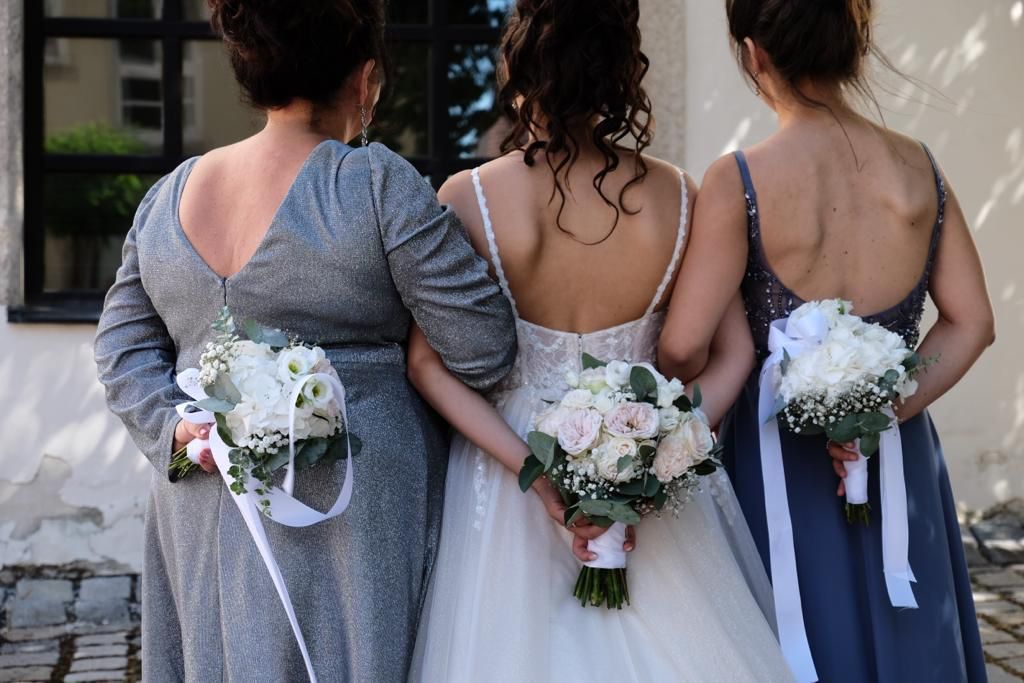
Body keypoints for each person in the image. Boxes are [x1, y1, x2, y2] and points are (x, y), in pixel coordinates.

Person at [93, 1, 516, 680]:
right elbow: (485, 348)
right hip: (353, 516)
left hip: (205, 495)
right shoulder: (376, 185)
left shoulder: (168, 197)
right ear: (367, 77)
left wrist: (179, 430)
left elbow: (120, 350)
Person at [406, 1, 795, 680]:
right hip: (642, 447)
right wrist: (663, 454)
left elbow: (425, 366)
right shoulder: (680, 195)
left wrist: (537, 471)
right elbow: (735, 353)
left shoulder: (468, 196)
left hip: (509, 472)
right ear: (623, 73)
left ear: (520, 65)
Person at [658, 1, 994, 680]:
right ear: (853, 46)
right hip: (897, 461)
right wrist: (881, 411)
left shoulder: (740, 180)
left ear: (754, 54)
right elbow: (974, 323)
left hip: (780, 462)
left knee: (800, 640)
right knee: (910, 635)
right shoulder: (920, 170)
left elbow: (683, 345)